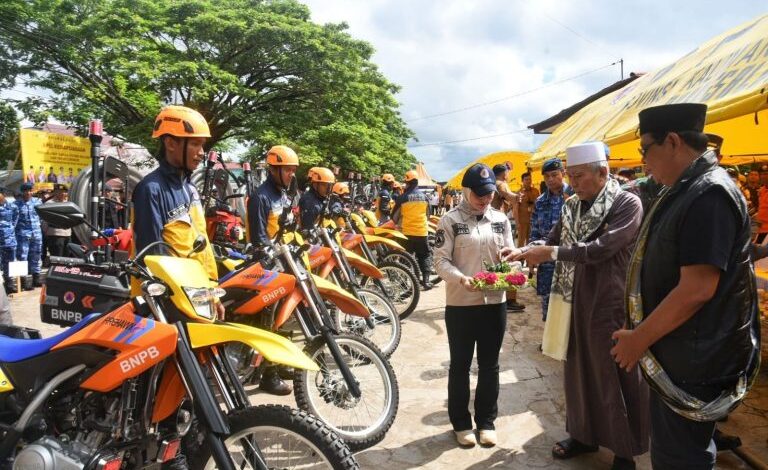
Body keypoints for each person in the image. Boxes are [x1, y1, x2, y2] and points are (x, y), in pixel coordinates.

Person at [611, 103, 761, 470]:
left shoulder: (708, 195)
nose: (644, 161)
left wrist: (640, 337)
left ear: (673, 141)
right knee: (674, 451)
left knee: (681, 459)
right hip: (683, 351)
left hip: (696, 359)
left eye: (645, 149)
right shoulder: (687, 188)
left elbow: (696, 289)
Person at [509, 141, 649, 470]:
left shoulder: (626, 204)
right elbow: (554, 238)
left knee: (612, 373)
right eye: (570, 176)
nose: (573, 183)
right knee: (577, 370)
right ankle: (584, 434)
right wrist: (526, 250)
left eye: (579, 176)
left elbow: (601, 249)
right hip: (572, 298)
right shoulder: (571, 206)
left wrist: (552, 254)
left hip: (610, 301)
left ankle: (624, 450)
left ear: (603, 172)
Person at [434, 163, 514, 448]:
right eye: (479, 194)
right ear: (467, 191)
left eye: (489, 193)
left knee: (490, 365)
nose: (485, 199)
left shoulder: (500, 219)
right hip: (461, 304)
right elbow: (440, 261)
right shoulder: (449, 220)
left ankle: (486, 421)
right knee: (460, 365)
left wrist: (513, 266)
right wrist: (460, 279)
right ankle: (461, 423)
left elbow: (509, 255)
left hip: (495, 303)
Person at [246, 144, 299, 395]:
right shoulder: (261, 197)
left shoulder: (283, 194)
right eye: (287, 170)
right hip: (268, 268)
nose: (291, 175)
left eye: (292, 170)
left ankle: (278, 360)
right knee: (267, 322)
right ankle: (268, 374)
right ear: (274, 169)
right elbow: (259, 239)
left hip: (284, 264)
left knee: (282, 318)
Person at [528, 158, 572, 321]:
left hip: (569, 259)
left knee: (569, 304)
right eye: (547, 176)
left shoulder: (574, 196)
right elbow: (535, 232)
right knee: (548, 302)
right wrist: (531, 256)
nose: (551, 179)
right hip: (546, 261)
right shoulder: (540, 202)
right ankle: (548, 342)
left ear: (563, 173)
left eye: (554, 175)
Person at [490, 163, 524, 312]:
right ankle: (510, 299)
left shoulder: (490, 184)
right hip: (498, 226)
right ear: (504, 173)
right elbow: (509, 196)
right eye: (508, 172)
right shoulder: (501, 184)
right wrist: (516, 197)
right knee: (512, 259)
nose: (508, 175)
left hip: (489, 225)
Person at [392, 170, 433, 290]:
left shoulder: (402, 198)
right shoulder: (425, 197)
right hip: (422, 232)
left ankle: (405, 283)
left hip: (406, 233)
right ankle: (426, 282)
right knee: (425, 256)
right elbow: (428, 215)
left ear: (407, 183)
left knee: (406, 258)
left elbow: (394, 217)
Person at [14, 182, 43, 289]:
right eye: (26, 191)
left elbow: (41, 217)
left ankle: (36, 278)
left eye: (30, 190)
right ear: (22, 192)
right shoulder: (16, 205)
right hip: (22, 235)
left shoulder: (38, 202)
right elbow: (13, 221)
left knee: (36, 255)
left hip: (36, 234)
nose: (28, 193)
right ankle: (24, 281)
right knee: (22, 256)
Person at [42, 184, 71, 257]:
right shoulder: (49, 203)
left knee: (67, 258)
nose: (62, 194)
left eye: (64, 192)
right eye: (59, 191)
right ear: (54, 192)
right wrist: (45, 232)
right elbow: (45, 220)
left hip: (67, 234)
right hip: (55, 234)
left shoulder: (69, 203)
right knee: (57, 258)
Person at [0, 188, 18, 293]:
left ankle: (9, 284)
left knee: (9, 262)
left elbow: (16, 218)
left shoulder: (12, 206)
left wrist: (10, 228)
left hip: (9, 239)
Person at [516, 172, 539, 248]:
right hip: (522, 222)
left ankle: (530, 258)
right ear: (522, 181)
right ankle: (520, 258)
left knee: (531, 241)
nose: (529, 181)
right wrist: (517, 222)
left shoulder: (536, 191)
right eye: (526, 179)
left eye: (530, 179)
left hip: (533, 221)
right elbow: (515, 208)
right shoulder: (519, 193)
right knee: (521, 241)